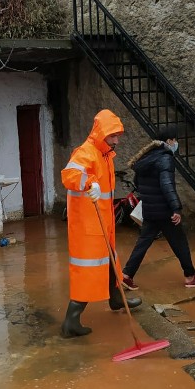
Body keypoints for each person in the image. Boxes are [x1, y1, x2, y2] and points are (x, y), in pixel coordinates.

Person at [60, 109, 142, 338]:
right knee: (88, 271)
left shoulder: (104, 155)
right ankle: (71, 323)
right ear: (101, 133)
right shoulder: (86, 152)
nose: (116, 140)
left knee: (110, 262)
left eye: (118, 135)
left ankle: (116, 300)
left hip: (102, 220)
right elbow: (69, 175)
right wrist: (89, 183)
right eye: (112, 135)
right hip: (88, 224)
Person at [121, 124, 195, 291]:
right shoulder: (165, 158)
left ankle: (126, 276)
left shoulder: (146, 158)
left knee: (143, 242)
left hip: (149, 209)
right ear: (170, 141)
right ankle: (190, 277)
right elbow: (167, 185)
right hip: (164, 211)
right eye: (175, 139)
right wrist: (176, 209)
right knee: (180, 242)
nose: (176, 143)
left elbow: (138, 183)